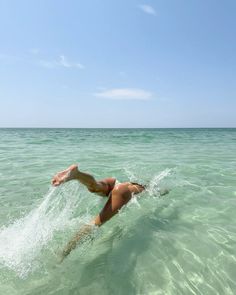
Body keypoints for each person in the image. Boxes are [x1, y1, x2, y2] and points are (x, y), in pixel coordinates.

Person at [51, 164, 146, 260]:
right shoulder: (144, 189)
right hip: (122, 191)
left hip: (114, 182)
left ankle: (77, 174)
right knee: (94, 224)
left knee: (94, 186)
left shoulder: (130, 184)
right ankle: (64, 252)